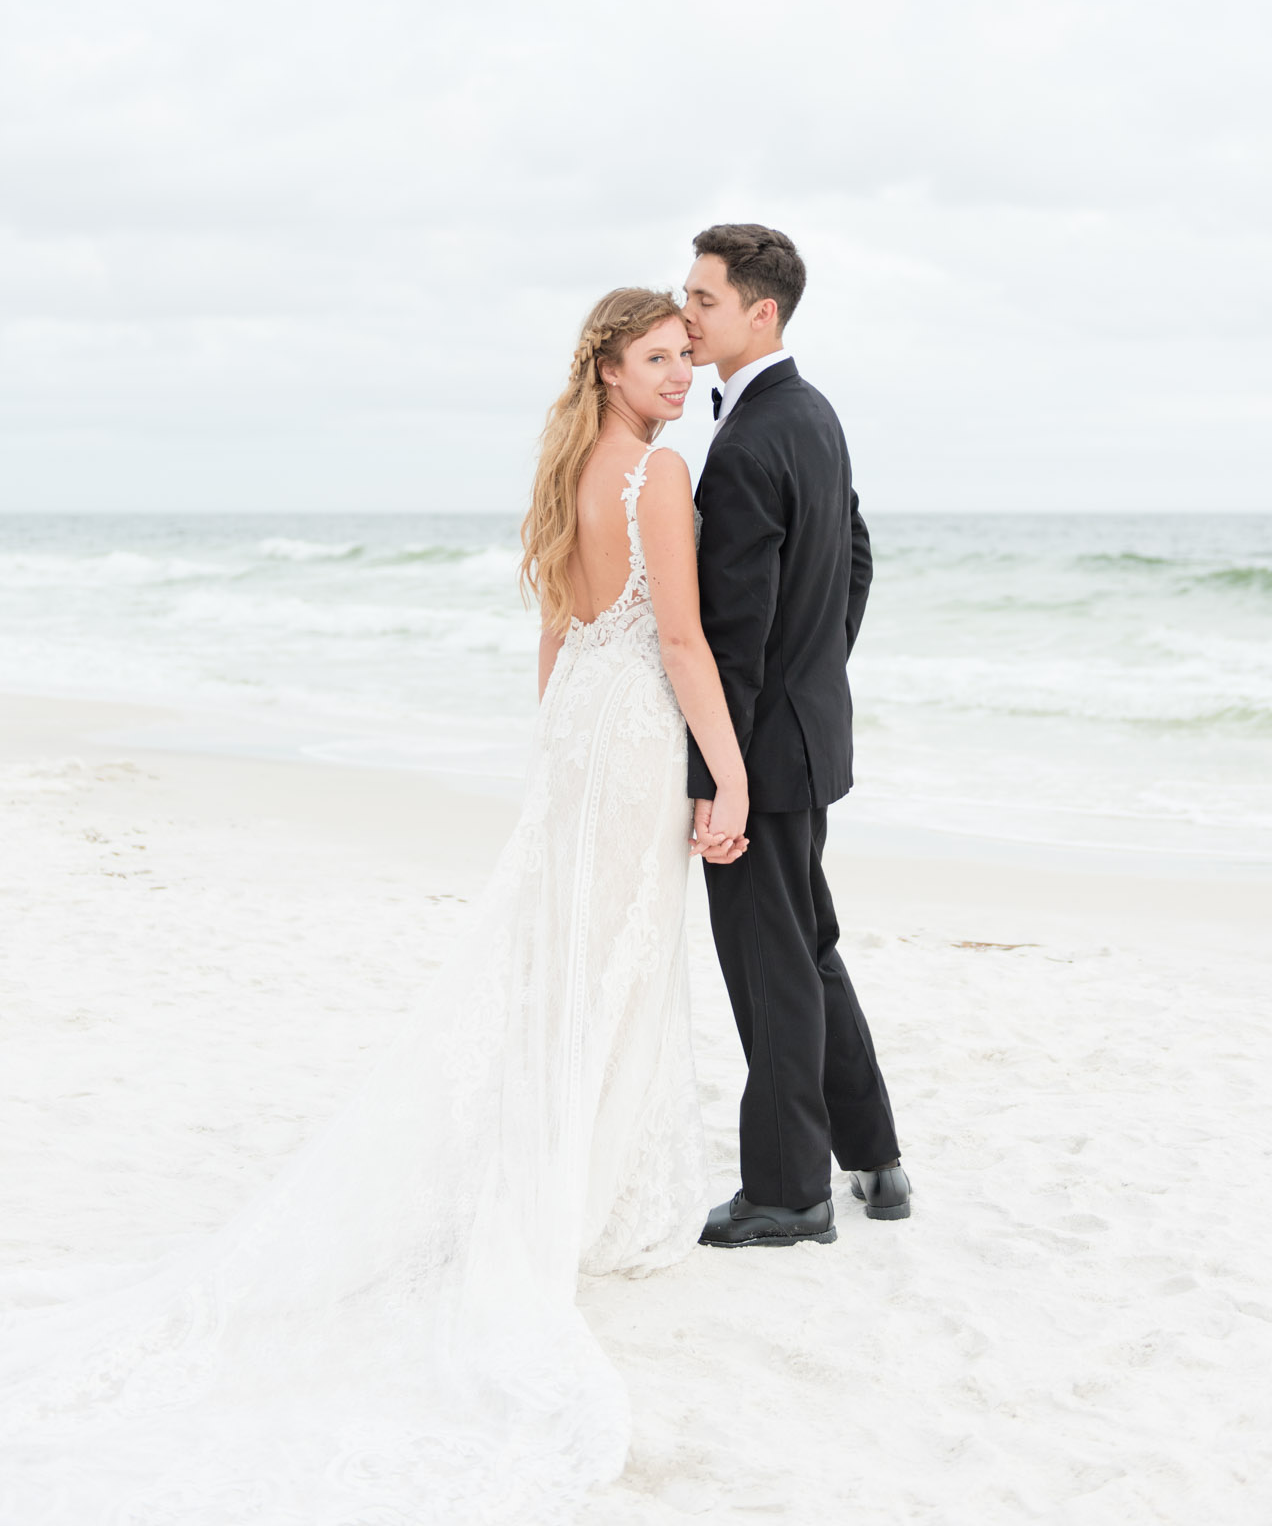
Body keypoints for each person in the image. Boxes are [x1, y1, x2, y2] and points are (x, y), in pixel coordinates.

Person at [0, 287, 747, 1526]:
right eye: (658, 357)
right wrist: (726, 767)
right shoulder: (658, 476)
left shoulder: (569, 468)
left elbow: (561, 630)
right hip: (628, 738)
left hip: (575, 733)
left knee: (560, 962)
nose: (679, 374)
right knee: (613, 963)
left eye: (684, 353)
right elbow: (677, 639)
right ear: (611, 370)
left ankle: (552, 1179)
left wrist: (555, 734)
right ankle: (569, 1198)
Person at [683, 224, 911, 1245]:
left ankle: (788, 1190)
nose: (684, 314)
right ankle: (873, 1157)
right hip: (807, 740)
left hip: (760, 761)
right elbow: (853, 559)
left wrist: (714, 774)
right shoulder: (810, 415)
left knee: (770, 964)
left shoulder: (749, 440)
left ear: (757, 311)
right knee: (809, 949)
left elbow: (732, 638)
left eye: (702, 299)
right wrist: (817, 674)